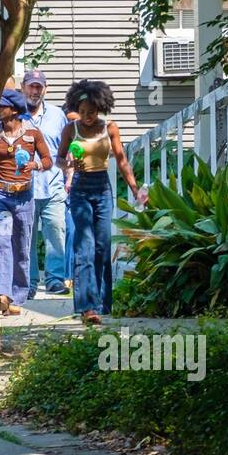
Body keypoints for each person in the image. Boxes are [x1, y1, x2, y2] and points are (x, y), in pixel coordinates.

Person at [57, 80, 142, 324]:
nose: (87, 117)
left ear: (100, 108)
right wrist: (68, 165)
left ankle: (103, 303)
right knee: (84, 247)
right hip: (81, 189)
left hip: (103, 188)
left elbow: (122, 160)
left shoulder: (110, 128)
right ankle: (87, 308)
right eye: (82, 112)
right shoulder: (70, 130)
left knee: (102, 247)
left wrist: (134, 189)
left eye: (91, 112)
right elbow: (58, 159)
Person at [0, 88, 52, 316]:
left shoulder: (32, 134)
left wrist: (35, 165)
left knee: (22, 247)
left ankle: (18, 297)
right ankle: (2, 295)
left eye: (0, 106)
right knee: (1, 242)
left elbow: (48, 160)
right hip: (1, 198)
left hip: (24, 198)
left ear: (13, 110)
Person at [19, 70, 69, 298]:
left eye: (39, 87)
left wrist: (70, 177)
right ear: (23, 87)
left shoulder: (58, 116)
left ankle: (55, 280)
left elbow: (66, 150)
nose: (35, 91)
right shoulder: (14, 115)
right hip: (24, 187)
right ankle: (28, 283)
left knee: (56, 232)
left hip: (53, 185)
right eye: (31, 86)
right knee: (25, 237)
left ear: (45, 89)